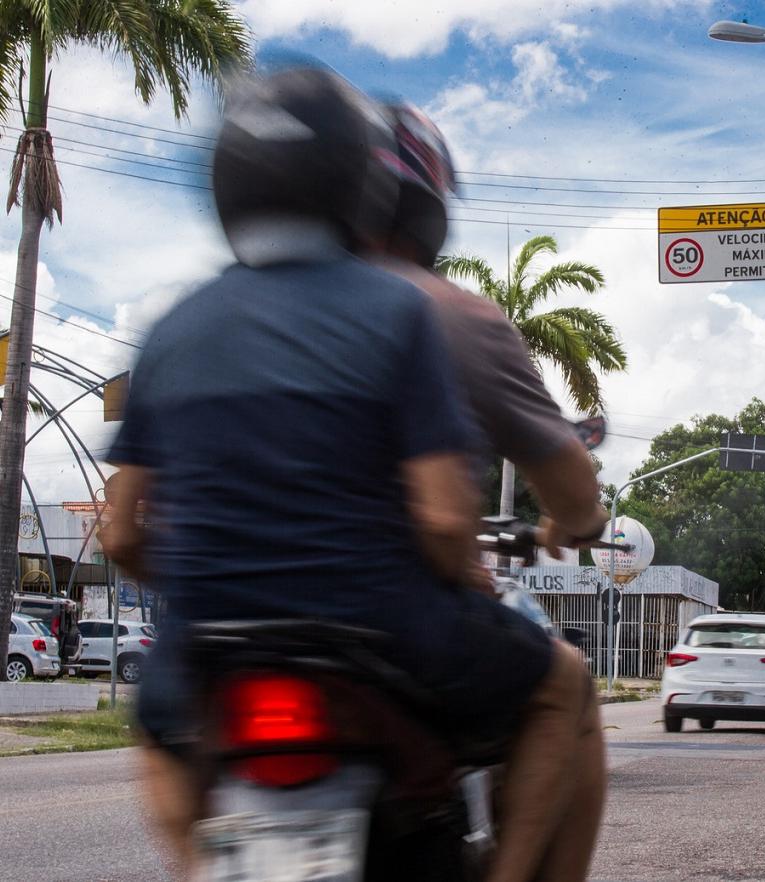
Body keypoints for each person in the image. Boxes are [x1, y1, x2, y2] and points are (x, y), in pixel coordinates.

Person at [98, 67, 601, 882]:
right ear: (354, 184)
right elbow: (443, 520)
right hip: (382, 629)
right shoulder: (398, 312)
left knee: (157, 728)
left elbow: (120, 534)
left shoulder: (172, 329)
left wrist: (212, 581)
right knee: (559, 691)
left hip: (214, 641)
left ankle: (201, 868)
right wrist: (451, 576)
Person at [355, 99, 610, 882]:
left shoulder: (245, 311)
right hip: (397, 622)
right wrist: (576, 522)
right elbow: (565, 493)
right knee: (567, 690)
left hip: (237, 618)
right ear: (430, 210)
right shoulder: (454, 315)